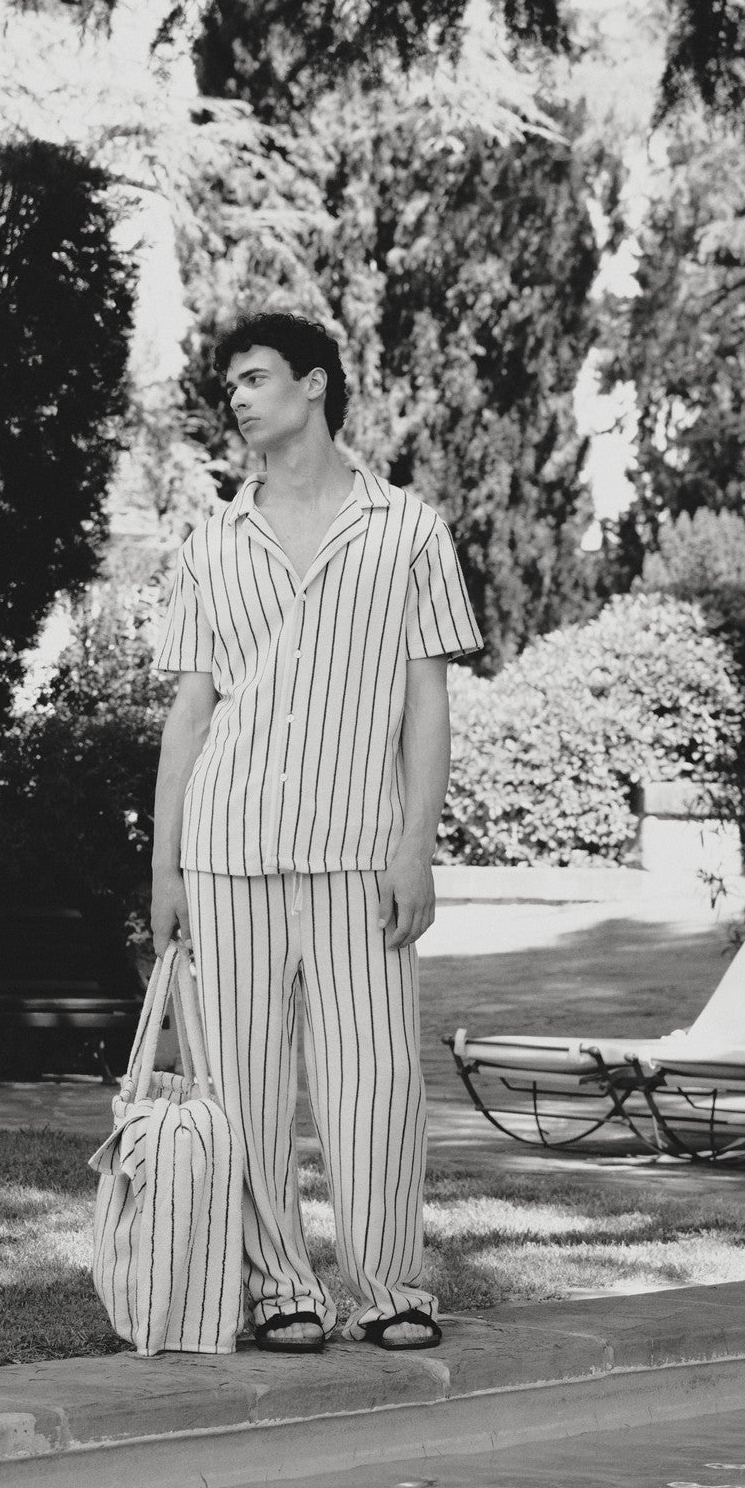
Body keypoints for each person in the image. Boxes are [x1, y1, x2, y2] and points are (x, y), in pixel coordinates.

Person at [150, 311, 481, 1353]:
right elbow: (190, 713)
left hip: (358, 854)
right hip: (226, 850)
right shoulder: (212, 542)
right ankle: (279, 1288)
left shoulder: (407, 531)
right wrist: (164, 869)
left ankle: (390, 1288)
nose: (238, 399)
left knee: (375, 1082)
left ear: (315, 383)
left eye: (255, 378)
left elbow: (426, 700)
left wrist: (416, 845)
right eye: (230, 386)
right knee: (241, 1086)